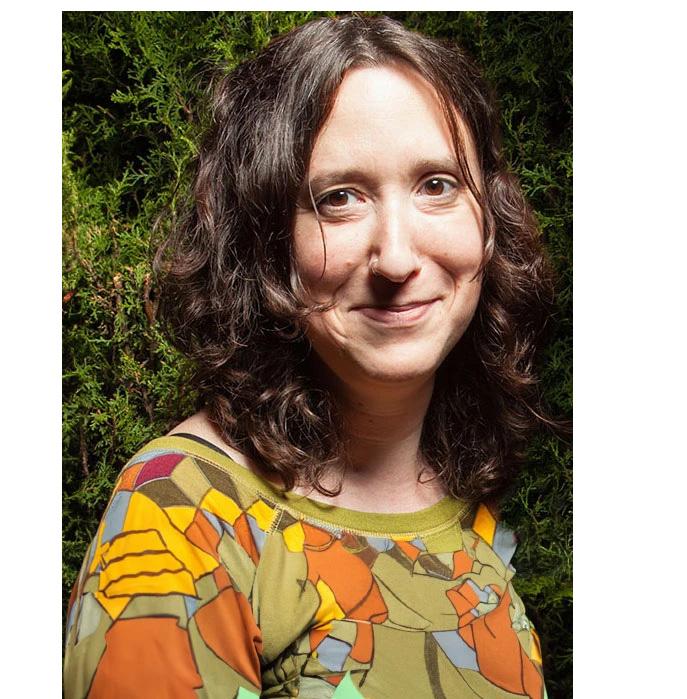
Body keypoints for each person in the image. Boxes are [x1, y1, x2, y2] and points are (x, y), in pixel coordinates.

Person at [64, 15, 554, 699]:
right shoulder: (184, 516)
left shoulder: (467, 509)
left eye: (437, 184)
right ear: (265, 242)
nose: (397, 258)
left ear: (488, 218)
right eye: (338, 199)